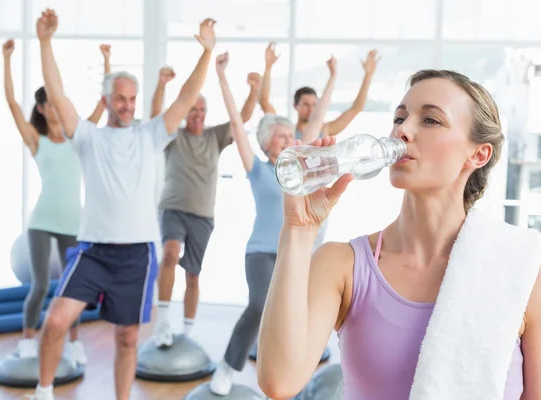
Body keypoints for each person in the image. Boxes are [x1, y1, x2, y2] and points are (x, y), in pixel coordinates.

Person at [256, 69, 541, 400]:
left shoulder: (519, 269)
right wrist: (298, 231)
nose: (402, 130)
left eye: (430, 120)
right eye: (399, 117)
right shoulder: (343, 265)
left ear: (477, 154)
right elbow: (279, 381)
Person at [28, 9, 217, 400]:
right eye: (121, 99)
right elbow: (58, 92)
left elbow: (183, 99)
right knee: (56, 321)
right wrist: (45, 42)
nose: (128, 105)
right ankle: (44, 392)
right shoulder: (87, 137)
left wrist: (206, 53)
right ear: (107, 101)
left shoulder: (150, 135)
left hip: (137, 255)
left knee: (128, 338)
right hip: (94, 251)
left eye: (132, 99)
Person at [208, 51, 337, 395]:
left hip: (300, 254)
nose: (289, 139)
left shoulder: (301, 171)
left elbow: (319, 117)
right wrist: (221, 75)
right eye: (281, 136)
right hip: (262, 252)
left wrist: (333, 79)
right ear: (266, 144)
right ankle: (227, 365)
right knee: (259, 303)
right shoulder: (259, 169)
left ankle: (294, 376)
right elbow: (237, 124)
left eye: (290, 134)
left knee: (300, 314)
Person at [2, 38, 110, 365]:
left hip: (71, 223)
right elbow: (11, 103)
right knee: (38, 285)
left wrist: (107, 60)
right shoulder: (36, 140)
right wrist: (7, 59)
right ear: (41, 108)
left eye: (56, 102)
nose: (54, 107)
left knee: (72, 288)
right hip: (41, 221)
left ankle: (75, 343)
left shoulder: (78, 136)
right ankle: (27, 340)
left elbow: (103, 105)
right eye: (48, 103)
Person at [150, 59, 261, 348]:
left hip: (202, 215)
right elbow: (155, 117)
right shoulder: (174, 136)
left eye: (202, 110)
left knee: (193, 275)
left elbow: (243, 117)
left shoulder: (215, 136)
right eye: (193, 109)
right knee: (170, 254)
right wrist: (161, 86)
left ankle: (186, 332)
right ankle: (162, 323)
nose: (197, 114)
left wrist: (254, 90)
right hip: (172, 208)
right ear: (185, 112)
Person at [259, 43, 380, 250]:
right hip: (284, 206)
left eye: (315, 104)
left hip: (312, 204)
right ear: (296, 106)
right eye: (306, 104)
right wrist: (268, 66)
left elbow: (356, 108)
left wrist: (368, 74)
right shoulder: (285, 133)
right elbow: (264, 102)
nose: (311, 109)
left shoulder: (325, 129)